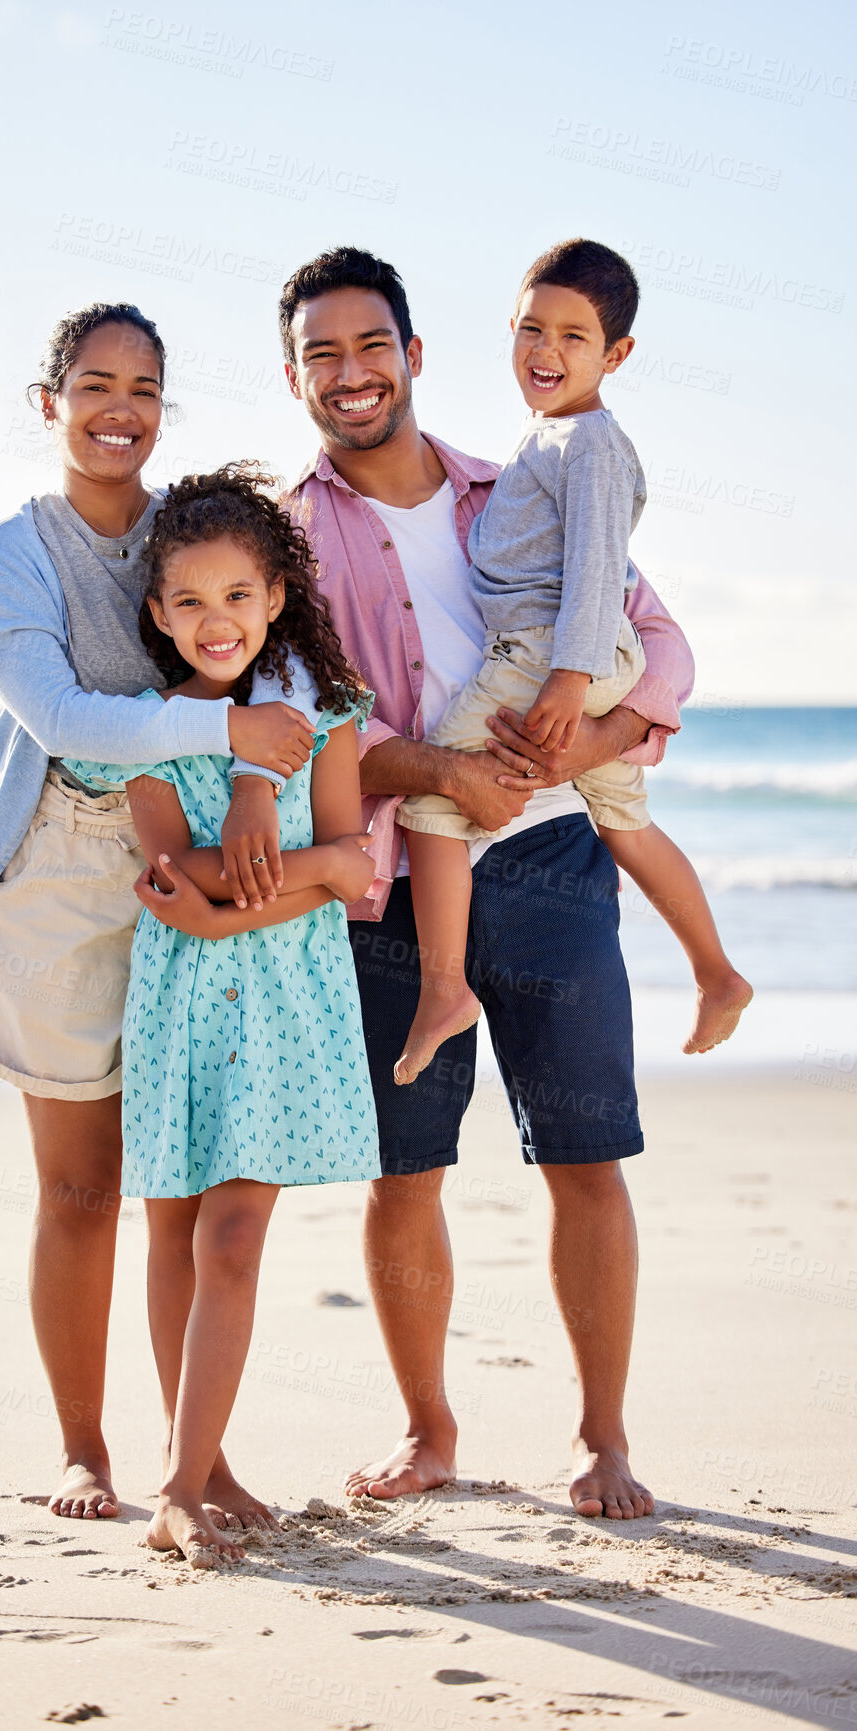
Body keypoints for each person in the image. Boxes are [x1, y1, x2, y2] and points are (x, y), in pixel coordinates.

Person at [275, 245, 697, 1519]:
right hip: (397, 883)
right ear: (293, 376)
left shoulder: (520, 479)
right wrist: (445, 766)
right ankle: (428, 1430)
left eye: (371, 346)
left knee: (587, 1157)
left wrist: (595, 741)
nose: (351, 374)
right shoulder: (284, 538)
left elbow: (658, 640)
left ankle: (605, 1440)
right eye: (321, 354)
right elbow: (305, 733)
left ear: (413, 355)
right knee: (406, 1170)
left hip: (557, 860)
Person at [0, 302, 319, 1524]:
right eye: (96, 385)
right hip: (61, 872)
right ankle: (82, 1453)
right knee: (77, 1189)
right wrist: (230, 734)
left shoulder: (189, 531)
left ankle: (194, 1464)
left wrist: (262, 776)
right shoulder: (17, 551)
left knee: (184, 1188)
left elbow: (279, 659)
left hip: (201, 862)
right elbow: (60, 717)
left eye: (146, 389)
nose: (122, 409)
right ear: (48, 401)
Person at [60, 465, 379, 1567]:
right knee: (173, 1233)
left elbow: (349, 858)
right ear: (157, 613)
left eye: (238, 597)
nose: (216, 622)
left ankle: (178, 1486)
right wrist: (309, 871)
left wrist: (238, 904)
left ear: (277, 598)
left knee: (235, 1238)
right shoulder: (148, 731)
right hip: (183, 1012)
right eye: (190, 602)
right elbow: (173, 868)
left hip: (288, 1007)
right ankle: (203, 1467)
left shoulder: (323, 717)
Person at [393, 239, 752, 1085]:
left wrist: (567, 677)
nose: (544, 351)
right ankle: (715, 969)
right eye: (529, 329)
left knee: (431, 797)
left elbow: (597, 568)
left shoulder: (584, 443)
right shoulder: (547, 437)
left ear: (615, 354)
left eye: (572, 336)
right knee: (623, 820)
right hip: (572, 652)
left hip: (549, 652)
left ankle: (443, 989)